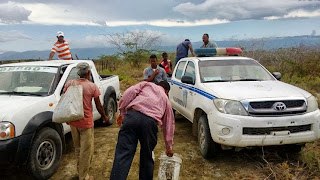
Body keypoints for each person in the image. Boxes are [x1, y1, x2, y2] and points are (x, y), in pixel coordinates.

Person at [110, 81, 175, 180]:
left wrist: (122, 112)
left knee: (123, 154)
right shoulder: (165, 99)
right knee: (147, 156)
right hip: (149, 124)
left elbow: (129, 93)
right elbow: (169, 125)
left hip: (132, 117)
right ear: (166, 91)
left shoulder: (146, 85)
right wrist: (168, 147)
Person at [63, 62, 108, 180]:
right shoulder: (92, 86)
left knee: (78, 149)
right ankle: (84, 176)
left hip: (73, 121)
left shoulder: (70, 84)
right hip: (86, 123)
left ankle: (80, 172)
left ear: (78, 73)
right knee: (86, 151)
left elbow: (66, 101)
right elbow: (98, 105)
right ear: (89, 73)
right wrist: (104, 116)